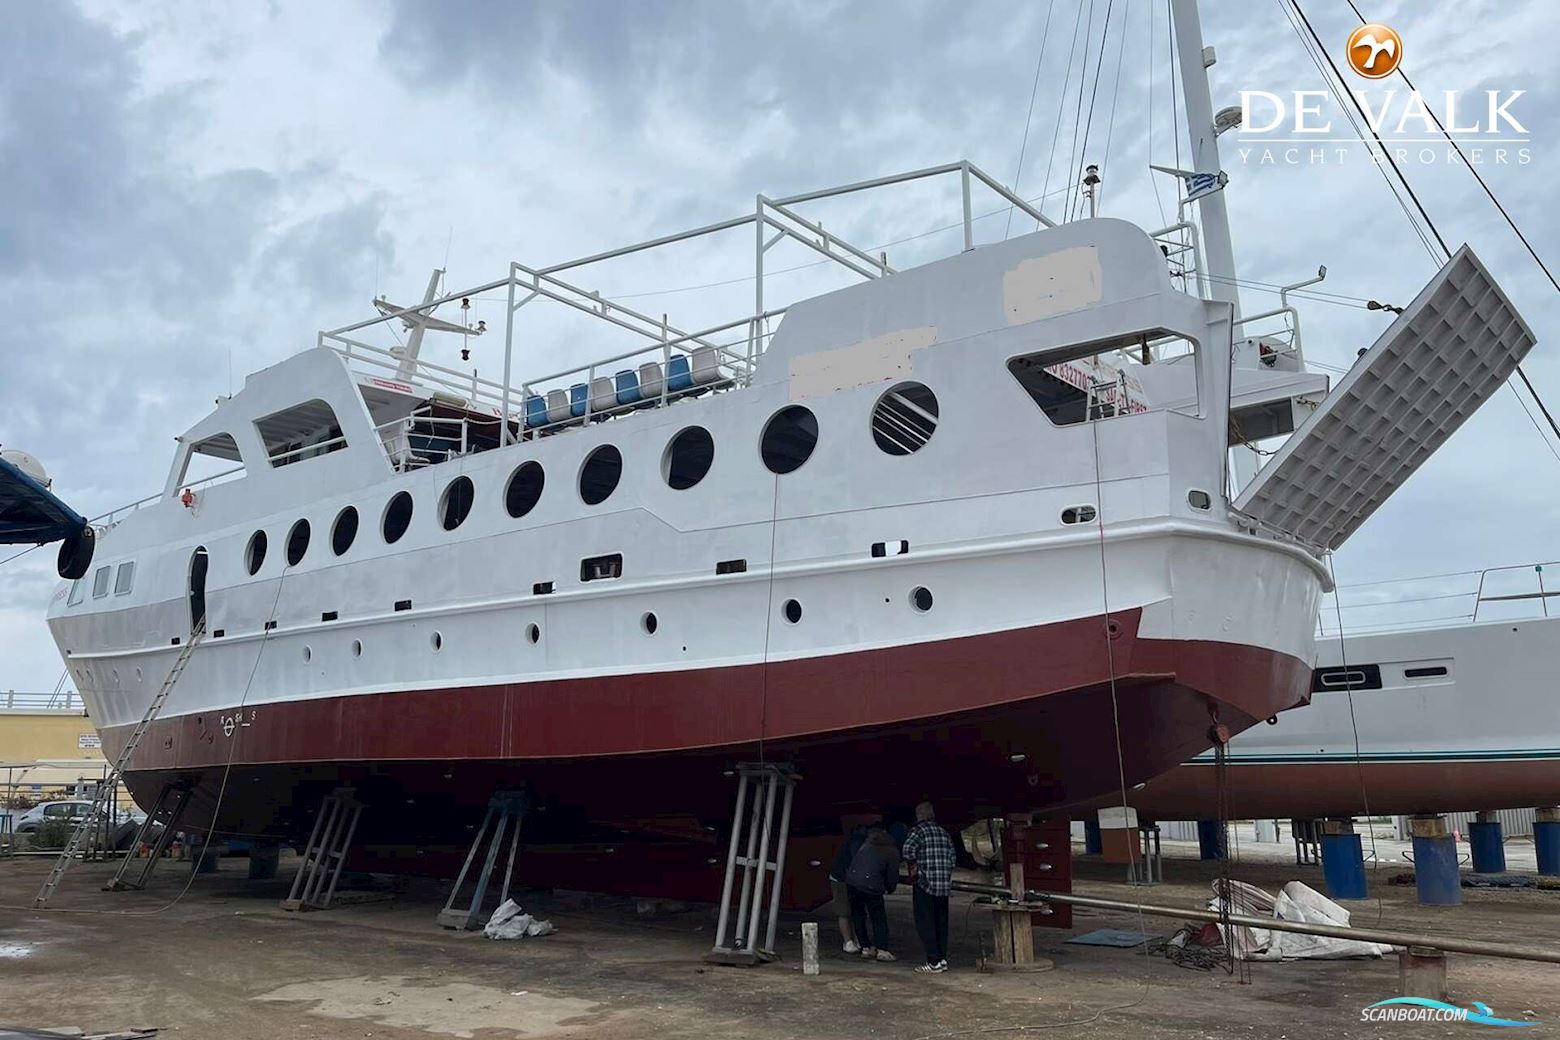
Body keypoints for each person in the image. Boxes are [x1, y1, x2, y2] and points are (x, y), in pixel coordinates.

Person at [902, 801, 955, 973]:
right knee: (941, 923)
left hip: (925, 884)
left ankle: (933, 962)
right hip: (943, 886)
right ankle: (942, 958)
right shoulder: (943, 833)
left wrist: (917, 865)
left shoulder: (918, 831)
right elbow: (952, 857)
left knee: (925, 923)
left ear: (919, 815)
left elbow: (907, 851)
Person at [844, 821, 900, 961]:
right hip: (871, 884)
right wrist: (890, 888)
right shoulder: (890, 849)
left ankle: (865, 947)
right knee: (878, 917)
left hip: (852, 881)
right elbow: (892, 875)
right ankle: (882, 949)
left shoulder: (866, 844)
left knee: (858, 915)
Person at [828, 823, 867, 953]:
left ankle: (851, 941)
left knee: (846, 911)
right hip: (842, 879)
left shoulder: (852, 843)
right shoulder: (859, 845)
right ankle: (849, 941)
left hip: (844, 877)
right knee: (846, 911)